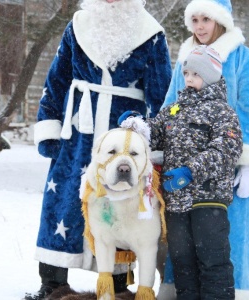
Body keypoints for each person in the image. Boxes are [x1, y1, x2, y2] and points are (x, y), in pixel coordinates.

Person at [23, 0, 172, 299]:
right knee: (64, 199)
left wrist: (156, 146)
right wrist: (49, 124)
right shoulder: (77, 25)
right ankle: (52, 280)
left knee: (121, 206)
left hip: (124, 136)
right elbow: (57, 80)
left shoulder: (150, 33)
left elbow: (161, 92)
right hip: (78, 132)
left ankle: (116, 281)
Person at [158, 0, 249, 299]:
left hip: (227, 168)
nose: (199, 27)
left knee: (228, 241)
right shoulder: (184, 58)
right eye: (194, 20)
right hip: (183, 172)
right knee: (184, 247)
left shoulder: (244, 58)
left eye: (206, 20)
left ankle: (237, 292)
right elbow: (170, 107)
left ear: (220, 21)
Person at [119, 44, 243, 299]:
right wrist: (136, 126)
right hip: (176, 203)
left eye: (195, 74)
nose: (188, 79)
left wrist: (190, 170)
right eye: (187, 74)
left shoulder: (223, 112)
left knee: (212, 261)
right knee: (183, 264)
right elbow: (153, 134)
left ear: (209, 77)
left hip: (207, 200)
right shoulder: (174, 110)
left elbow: (226, 149)